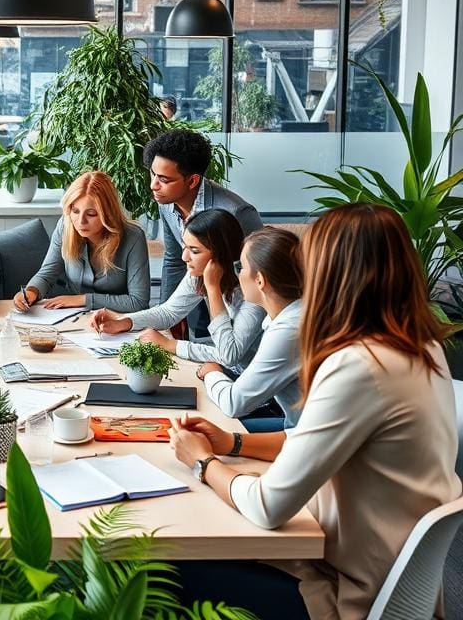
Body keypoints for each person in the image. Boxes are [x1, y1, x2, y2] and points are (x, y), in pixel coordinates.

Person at [167, 203, 461, 620]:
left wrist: (203, 462)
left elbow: (267, 507)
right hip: (367, 559)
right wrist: (233, 442)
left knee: (159, 569)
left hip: (343, 588)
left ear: (331, 273)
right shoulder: (418, 347)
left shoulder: (360, 365)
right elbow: (319, 438)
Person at [92, 208, 265, 370]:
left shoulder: (254, 293)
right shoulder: (198, 274)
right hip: (224, 368)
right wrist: (124, 322)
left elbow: (230, 355)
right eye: (185, 246)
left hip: (250, 383)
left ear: (221, 256)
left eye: (195, 251)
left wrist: (171, 345)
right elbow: (168, 313)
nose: (184, 257)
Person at [144, 128, 262, 337]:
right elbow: (174, 259)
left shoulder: (236, 212)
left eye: (164, 179)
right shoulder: (165, 201)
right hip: (197, 293)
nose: (154, 185)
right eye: (153, 174)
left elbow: (259, 275)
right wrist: (167, 321)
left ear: (192, 181)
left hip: (240, 311)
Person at [197, 227, 304, 431]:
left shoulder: (288, 330)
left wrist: (212, 373)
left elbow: (233, 404)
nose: (238, 274)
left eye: (241, 267)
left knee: (208, 428)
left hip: (304, 437)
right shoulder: (289, 315)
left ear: (260, 280)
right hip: (295, 425)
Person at [13, 171, 150, 313]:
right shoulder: (66, 226)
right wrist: (31, 292)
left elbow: (138, 302)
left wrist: (83, 299)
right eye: (75, 211)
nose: (80, 221)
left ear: (108, 213)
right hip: (71, 316)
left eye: (91, 214)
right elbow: (47, 274)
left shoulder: (133, 238)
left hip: (116, 320)